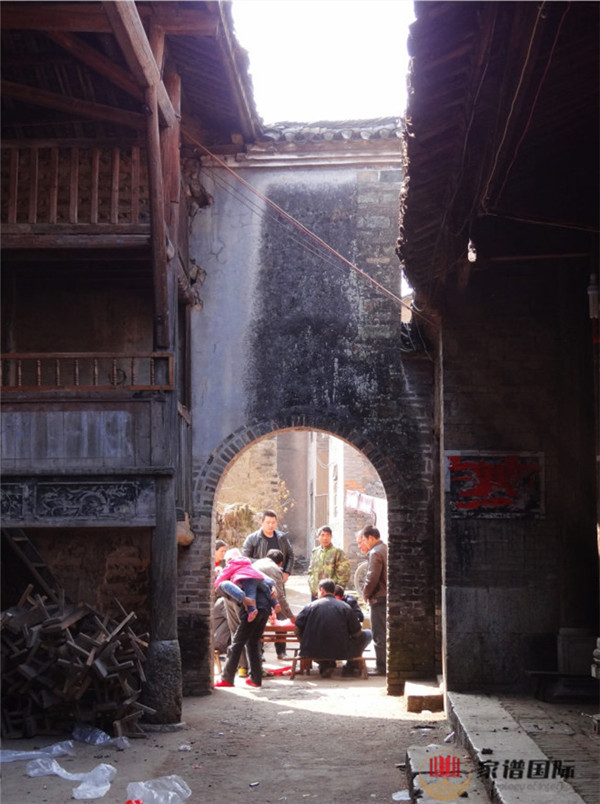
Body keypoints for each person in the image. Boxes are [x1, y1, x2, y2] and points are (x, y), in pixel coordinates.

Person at [294, 578, 372, 678]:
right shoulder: (345, 607)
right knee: (368, 634)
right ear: (333, 591)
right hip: (342, 650)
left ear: (321, 590)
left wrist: (305, 643)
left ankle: (325, 664)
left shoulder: (309, 607)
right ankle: (351, 666)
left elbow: (297, 630)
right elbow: (356, 633)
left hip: (311, 650)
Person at [215, 581, 277, 688]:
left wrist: (243, 599)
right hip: (265, 610)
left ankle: (227, 679)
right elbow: (269, 582)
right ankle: (255, 679)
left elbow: (226, 586)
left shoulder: (226, 581)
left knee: (236, 644)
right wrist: (274, 593)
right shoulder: (252, 574)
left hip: (252, 611)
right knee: (253, 643)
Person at [215, 548, 279, 622]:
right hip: (258, 580)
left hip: (246, 588)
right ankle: (275, 603)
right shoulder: (247, 563)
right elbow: (262, 576)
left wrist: (215, 586)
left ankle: (251, 609)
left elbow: (222, 576)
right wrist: (272, 585)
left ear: (229, 559)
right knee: (266, 589)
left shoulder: (231, 564)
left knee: (250, 594)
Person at [254, 549, 296, 661]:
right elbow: (280, 596)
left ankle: (259, 654)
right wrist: (290, 616)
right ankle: (281, 652)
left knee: (257, 628)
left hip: (251, 601)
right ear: (280, 563)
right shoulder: (275, 569)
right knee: (282, 615)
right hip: (263, 601)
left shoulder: (256, 564)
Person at [357, 525, 387, 676]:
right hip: (386, 596)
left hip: (379, 598)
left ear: (371, 538)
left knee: (379, 634)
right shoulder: (385, 549)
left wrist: (366, 593)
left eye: (364, 540)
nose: (364, 543)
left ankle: (382, 667)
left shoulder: (375, 552)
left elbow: (372, 577)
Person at [242, 510, 294, 581]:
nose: (270, 525)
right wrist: (264, 563)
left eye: (273, 523)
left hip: (278, 577)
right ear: (262, 522)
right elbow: (245, 559)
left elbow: (290, 555)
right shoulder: (252, 538)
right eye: (268, 522)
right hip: (259, 578)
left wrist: (287, 572)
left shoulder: (282, 538)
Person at [307, 526, 351, 600]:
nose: (325, 538)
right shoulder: (315, 552)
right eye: (323, 535)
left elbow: (344, 574)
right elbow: (310, 571)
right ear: (318, 537)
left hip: (331, 595)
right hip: (316, 594)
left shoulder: (337, 552)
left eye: (328, 535)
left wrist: (338, 592)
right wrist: (311, 586)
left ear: (331, 537)